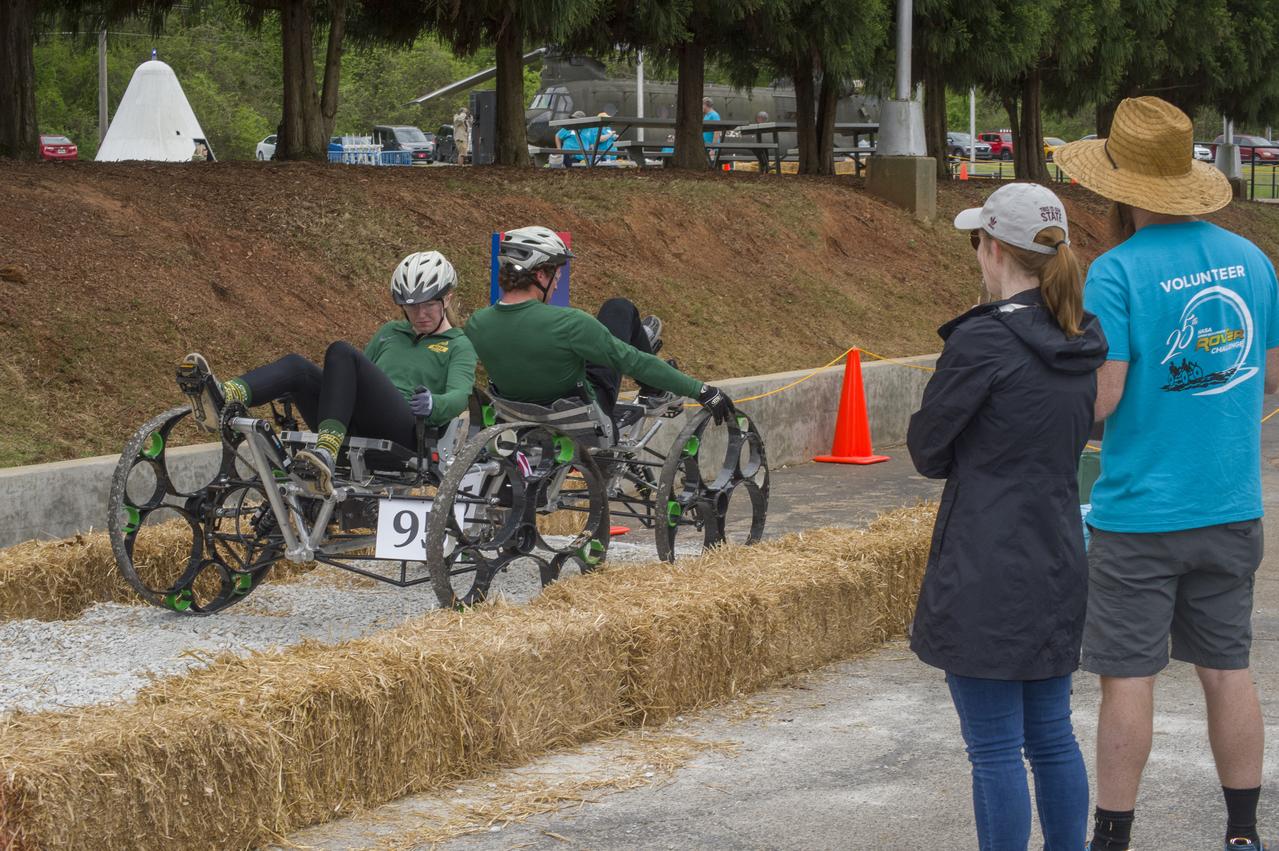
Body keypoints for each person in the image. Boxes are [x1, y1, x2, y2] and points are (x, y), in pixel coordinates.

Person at [1056, 96, 1279, 851]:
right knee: (1227, 669)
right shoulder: (1251, 260)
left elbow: (1105, 394)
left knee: (1128, 678)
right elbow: (1272, 373)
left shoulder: (1113, 272)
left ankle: (1112, 838)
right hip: (1229, 503)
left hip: (1139, 513)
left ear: (1117, 186)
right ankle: (1243, 834)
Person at [907, 182, 1108, 850]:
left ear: (992, 247)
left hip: (983, 559)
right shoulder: (1081, 336)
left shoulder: (983, 341)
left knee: (993, 748)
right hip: (1056, 551)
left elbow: (927, 449)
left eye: (976, 241)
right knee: (1051, 736)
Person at [176, 251, 477, 496]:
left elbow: (460, 395)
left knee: (342, 351)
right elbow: (354, 377)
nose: (420, 315)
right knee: (298, 367)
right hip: (354, 428)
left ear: (447, 299)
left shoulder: (458, 345)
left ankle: (325, 454)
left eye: (428, 306)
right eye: (411, 307)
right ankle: (223, 395)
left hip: (405, 432)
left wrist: (435, 404)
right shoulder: (390, 333)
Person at [463, 226, 733, 426]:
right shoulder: (569, 322)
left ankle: (634, 340)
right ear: (541, 274)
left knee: (593, 344)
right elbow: (635, 362)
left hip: (514, 414)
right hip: (579, 415)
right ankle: (655, 387)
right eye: (557, 274)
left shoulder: (477, 323)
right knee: (619, 309)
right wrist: (702, 390)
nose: (558, 282)